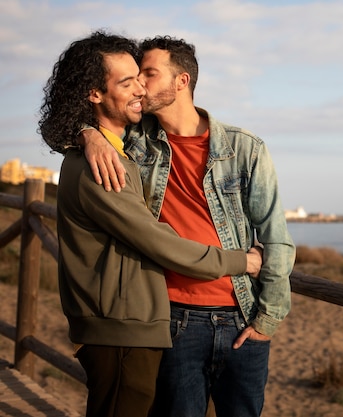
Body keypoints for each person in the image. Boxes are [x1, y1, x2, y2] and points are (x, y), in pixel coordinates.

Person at [38, 31, 263, 417]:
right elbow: (158, 240)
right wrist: (240, 261)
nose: (140, 89)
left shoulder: (113, 150)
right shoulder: (99, 166)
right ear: (94, 93)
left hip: (130, 324)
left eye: (142, 78)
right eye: (127, 82)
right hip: (121, 328)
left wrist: (86, 132)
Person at [82, 35, 296, 417]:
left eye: (148, 73)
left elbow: (276, 237)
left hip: (241, 317)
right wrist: (88, 135)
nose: (139, 85)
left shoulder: (244, 148)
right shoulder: (133, 140)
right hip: (171, 317)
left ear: (181, 81)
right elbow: (72, 118)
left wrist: (268, 320)